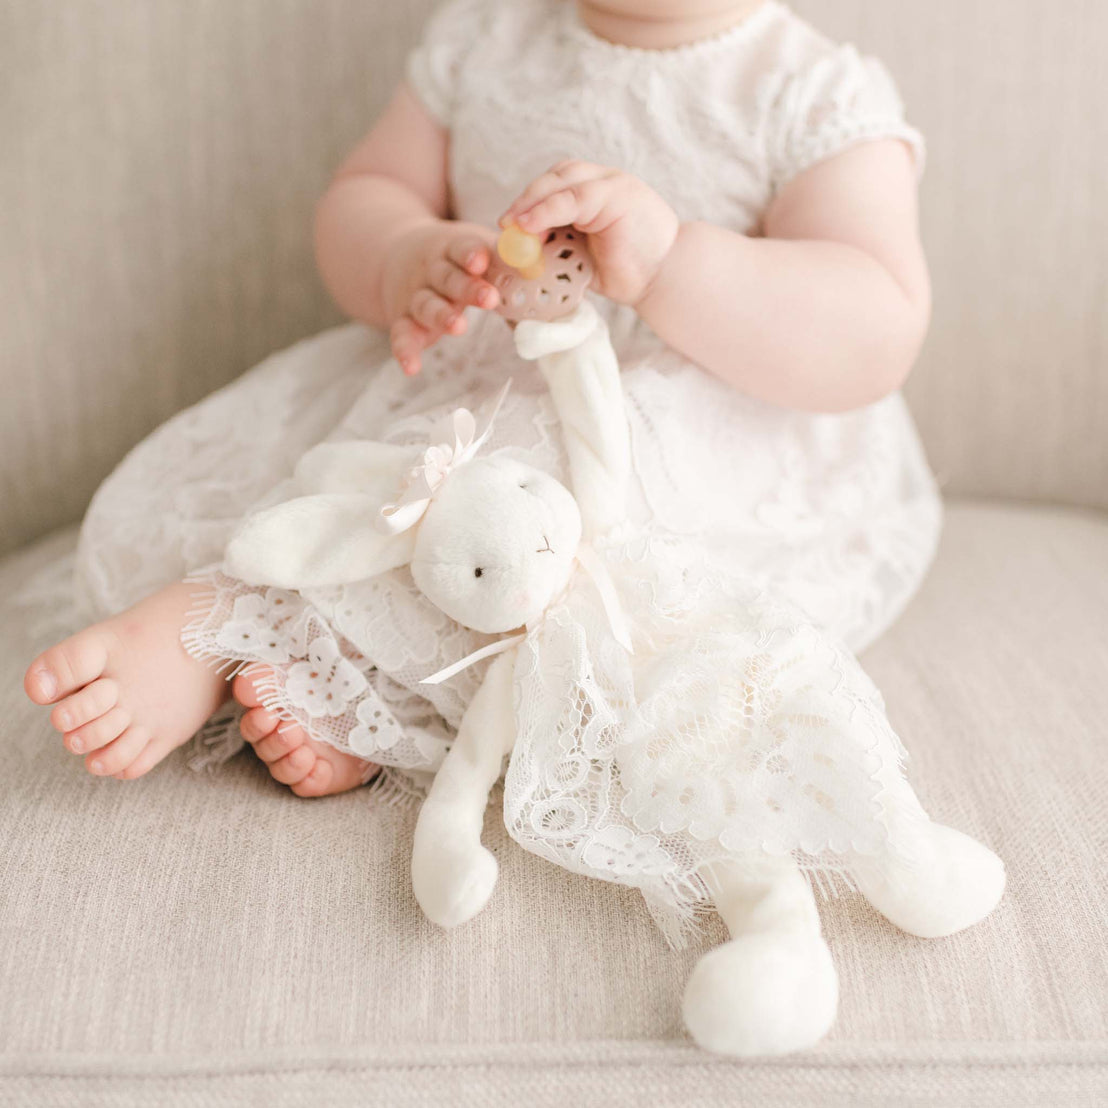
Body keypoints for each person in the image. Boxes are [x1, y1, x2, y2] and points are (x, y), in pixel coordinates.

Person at [24, 0, 939, 801]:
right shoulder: (485, 37)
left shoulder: (811, 91)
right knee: (401, 487)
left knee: (550, 557)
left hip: (683, 435)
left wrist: (666, 264)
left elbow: (875, 328)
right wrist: (401, 255)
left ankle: (277, 652)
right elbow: (366, 193)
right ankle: (295, 661)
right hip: (472, 389)